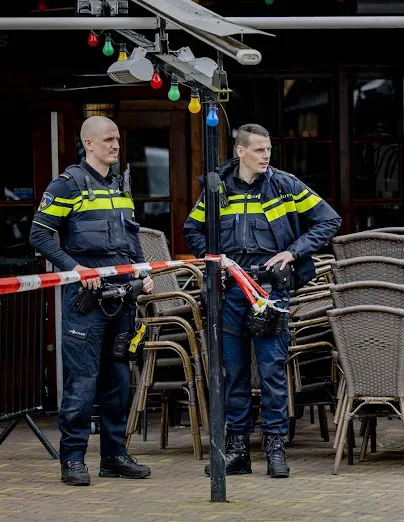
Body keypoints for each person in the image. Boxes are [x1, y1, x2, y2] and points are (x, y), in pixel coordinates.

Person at [184, 123, 341, 478]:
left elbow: (329, 220)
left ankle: (274, 447)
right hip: (230, 291)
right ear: (240, 151)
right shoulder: (217, 189)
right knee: (233, 372)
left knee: (271, 371)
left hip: (270, 292)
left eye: (268, 149)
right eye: (258, 150)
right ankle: (237, 449)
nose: (265, 156)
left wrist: (292, 252)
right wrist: (215, 259)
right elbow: (192, 229)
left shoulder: (284, 184)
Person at [30, 116, 154, 486]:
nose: (115, 145)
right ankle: (73, 460)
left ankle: (114, 455)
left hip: (122, 297)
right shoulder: (67, 185)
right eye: (108, 139)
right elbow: (41, 235)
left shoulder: (120, 185)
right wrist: (78, 269)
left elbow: (130, 241)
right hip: (86, 298)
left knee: (118, 380)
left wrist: (141, 272)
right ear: (88, 143)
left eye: (117, 139)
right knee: (82, 383)